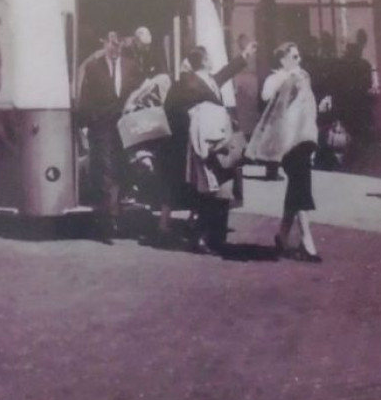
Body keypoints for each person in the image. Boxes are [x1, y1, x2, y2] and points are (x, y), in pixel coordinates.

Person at [158, 41, 255, 248]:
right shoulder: (187, 83)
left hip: (218, 140)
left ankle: (210, 235)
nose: (212, 60)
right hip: (202, 144)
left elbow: (224, 74)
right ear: (203, 61)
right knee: (210, 189)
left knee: (218, 187)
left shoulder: (207, 80)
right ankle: (206, 236)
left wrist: (243, 57)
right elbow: (171, 109)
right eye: (209, 57)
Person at [245, 42, 324, 262]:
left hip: (303, 138)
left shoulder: (303, 77)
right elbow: (265, 94)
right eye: (295, 57)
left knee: (297, 185)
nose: (299, 61)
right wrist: (286, 79)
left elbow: (309, 109)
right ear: (283, 60)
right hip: (285, 141)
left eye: (299, 56)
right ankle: (307, 241)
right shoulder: (278, 78)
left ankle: (282, 235)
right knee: (301, 182)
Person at [75, 30, 142, 242]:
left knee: (122, 169)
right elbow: (85, 98)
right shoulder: (93, 68)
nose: (115, 49)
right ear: (104, 43)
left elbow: (139, 91)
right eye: (112, 44)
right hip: (101, 127)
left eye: (118, 45)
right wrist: (88, 123)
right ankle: (108, 221)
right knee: (105, 170)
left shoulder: (131, 66)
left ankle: (115, 213)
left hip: (124, 126)